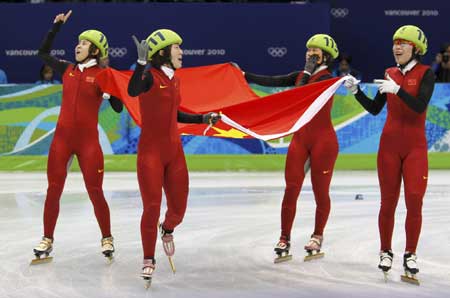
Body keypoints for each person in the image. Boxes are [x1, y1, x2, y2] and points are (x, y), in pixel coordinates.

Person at [127, 29, 220, 287]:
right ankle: (148, 258)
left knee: (178, 210)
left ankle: (167, 229)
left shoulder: (175, 79)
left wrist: (202, 118)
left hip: (174, 153)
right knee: (152, 207)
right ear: (163, 53)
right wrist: (141, 63)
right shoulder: (148, 77)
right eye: (177, 47)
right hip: (150, 154)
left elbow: (175, 112)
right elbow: (133, 90)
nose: (182, 51)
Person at [236, 34, 339, 262]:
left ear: (326, 56)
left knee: (320, 192)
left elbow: (300, 96)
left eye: (315, 51)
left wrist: (308, 73)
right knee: (291, 188)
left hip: (324, 142)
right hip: (300, 140)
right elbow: (272, 81)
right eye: (308, 50)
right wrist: (244, 76)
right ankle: (284, 238)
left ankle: (317, 235)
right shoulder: (300, 76)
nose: (309, 54)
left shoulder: (328, 79)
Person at [31, 10, 123, 265]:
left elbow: (118, 108)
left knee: (95, 190)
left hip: (88, 144)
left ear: (94, 50)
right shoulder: (68, 69)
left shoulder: (103, 75)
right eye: (78, 41)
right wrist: (55, 27)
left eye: (84, 43)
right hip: (61, 141)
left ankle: (107, 237)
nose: (78, 45)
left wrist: (110, 93)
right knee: (53, 190)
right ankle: (47, 238)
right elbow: (42, 54)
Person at [344, 25, 434, 283]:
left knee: (414, 201)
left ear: (415, 49)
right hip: (389, 147)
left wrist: (398, 90)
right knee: (388, 202)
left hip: (415, 147)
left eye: (403, 43)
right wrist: (356, 91)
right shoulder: (389, 73)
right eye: (395, 42)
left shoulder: (426, 73)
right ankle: (385, 251)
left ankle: (411, 254)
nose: (397, 47)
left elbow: (419, 107)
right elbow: (374, 109)